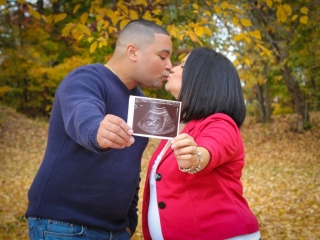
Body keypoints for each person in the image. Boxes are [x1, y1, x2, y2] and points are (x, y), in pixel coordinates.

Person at [25, 19, 172, 240]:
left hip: (117, 231)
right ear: (133, 52)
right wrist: (97, 129)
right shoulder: (86, 78)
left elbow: (132, 167)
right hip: (66, 227)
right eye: (163, 56)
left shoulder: (144, 104)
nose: (169, 65)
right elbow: (82, 111)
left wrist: (129, 222)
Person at [142, 47, 261, 240]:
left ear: (203, 79)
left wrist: (196, 157)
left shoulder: (221, 123)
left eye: (182, 65)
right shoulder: (176, 124)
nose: (172, 68)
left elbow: (210, 149)